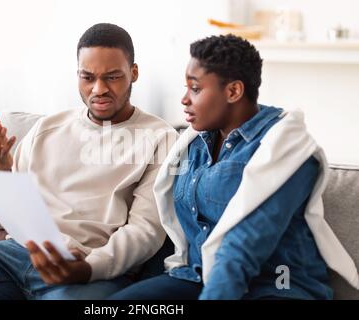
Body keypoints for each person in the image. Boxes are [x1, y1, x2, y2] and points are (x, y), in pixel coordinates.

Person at [0, 23, 178, 300]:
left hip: (85, 271)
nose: (99, 89)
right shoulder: (48, 128)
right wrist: (1, 170)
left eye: (112, 77)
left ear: (133, 73)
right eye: (87, 77)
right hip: (11, 255)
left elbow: (146, 231)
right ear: (77, 75)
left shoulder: (160, 138)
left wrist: (86, 269)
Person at [109, 34, 358, 300]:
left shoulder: (287, 150)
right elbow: (180, 231)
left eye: (195, 89)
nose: (184, 99)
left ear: (233, 92)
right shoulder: (193, 145)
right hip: (197, 277)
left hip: (277, 286)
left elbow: (244, 244)